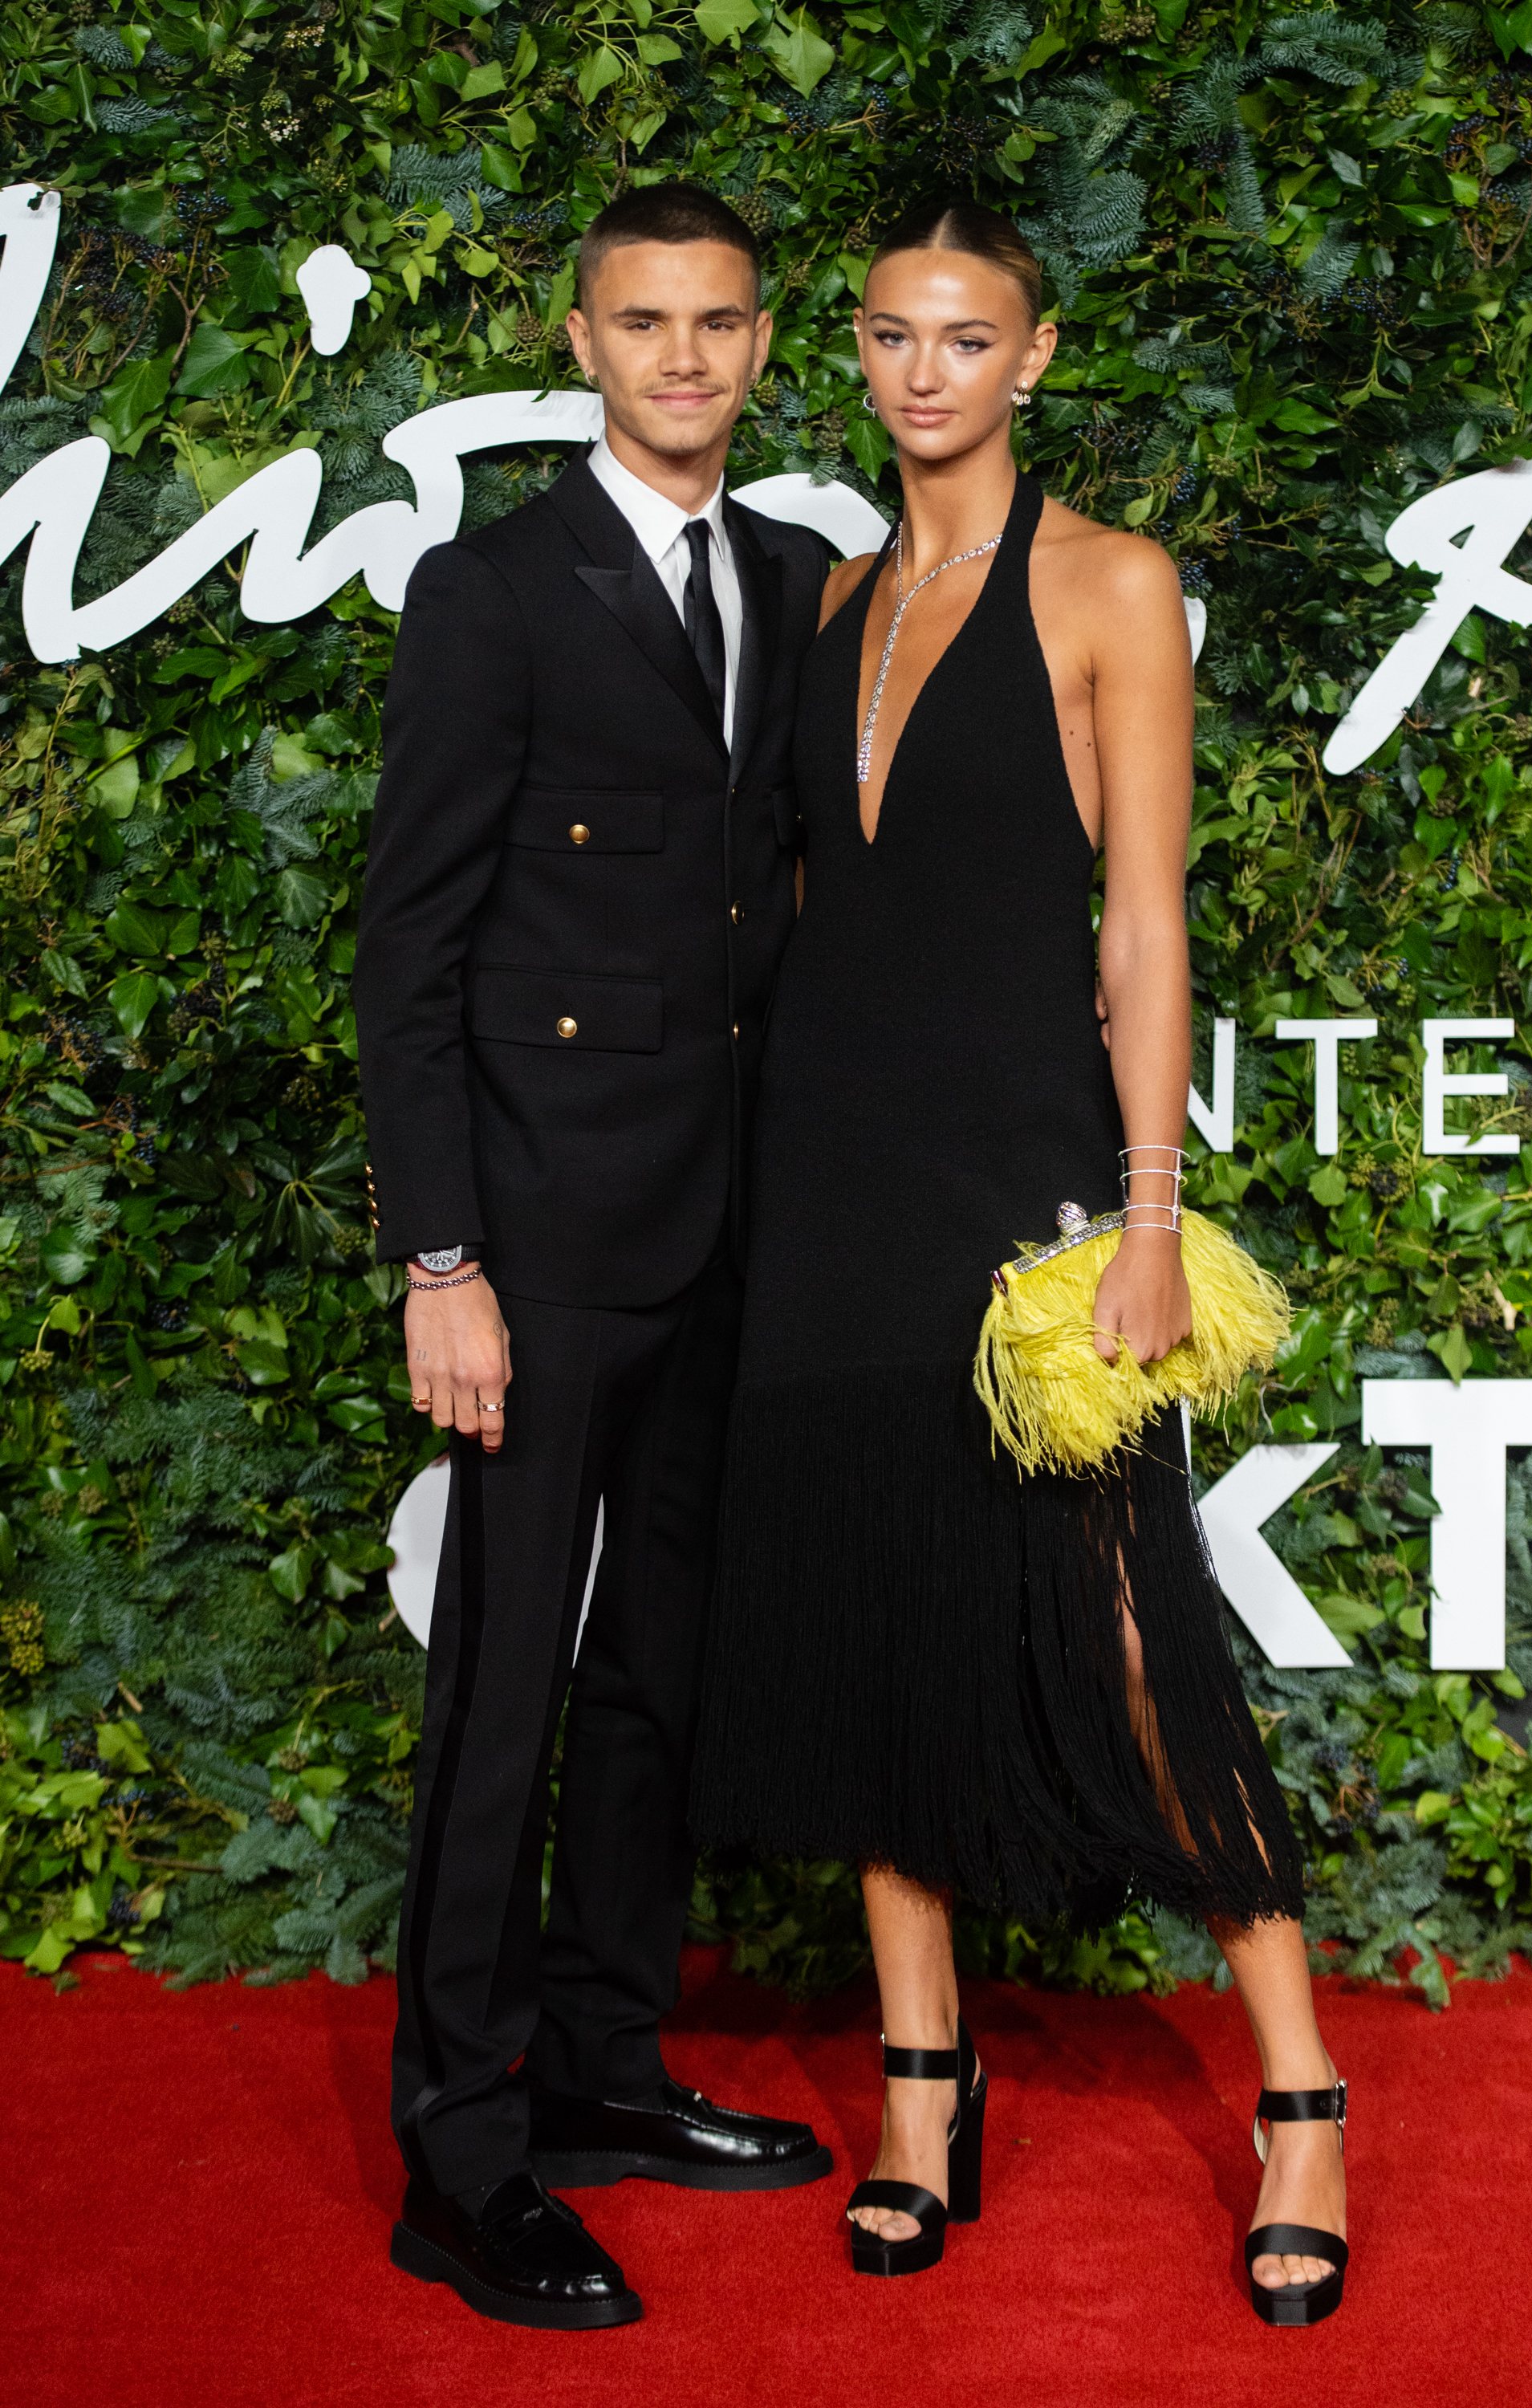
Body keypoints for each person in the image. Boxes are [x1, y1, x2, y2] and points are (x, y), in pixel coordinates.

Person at [691, 201, 1351, 2327]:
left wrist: (1150, 1213)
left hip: (1028, 1183)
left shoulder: (1111, 585)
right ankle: (919, 2075)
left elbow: (1143, 925)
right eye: (888, 337)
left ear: (1035, 358)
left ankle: (1303, 2097)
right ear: (853, 354)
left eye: (965, 341)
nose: (921, 375)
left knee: (1135, 1631)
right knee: (882, 1613)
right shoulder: (824, 597)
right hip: (831, 1177)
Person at [353, 181, 835, 2332]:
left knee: (658, 1679)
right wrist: (438, 1256)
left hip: (730, 1227)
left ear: (758, 342)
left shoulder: (802, 580)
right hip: (538, 1240)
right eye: (645, 322)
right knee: (505, 1699)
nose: (684, 358)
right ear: (579, 340)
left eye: (720, 322)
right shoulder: (494, 593)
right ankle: (461, 2155)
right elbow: (412, 948)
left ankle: (608, 2076)